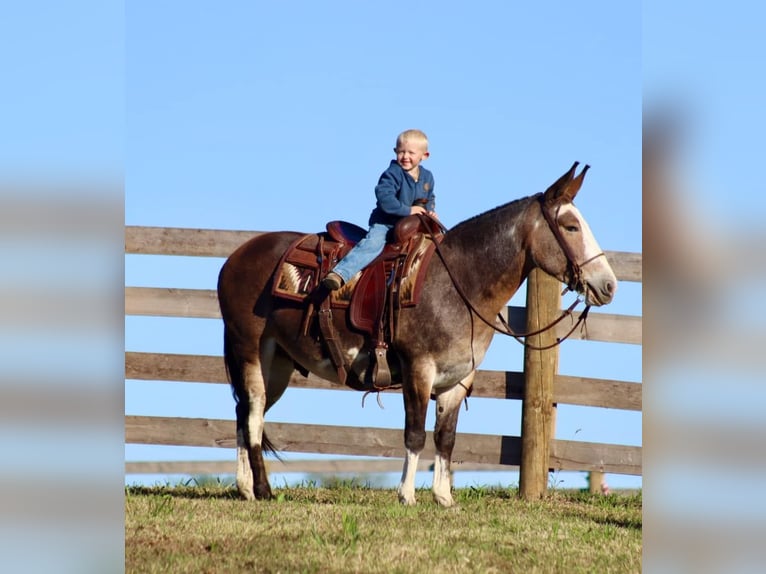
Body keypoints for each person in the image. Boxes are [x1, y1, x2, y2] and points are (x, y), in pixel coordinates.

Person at [322, 129, 438, 291]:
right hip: (386, 224)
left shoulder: (427, 177)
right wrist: (408, 211)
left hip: (411, 226)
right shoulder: (393, 173)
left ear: (424, 156)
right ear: (395, 151)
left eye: (411, 153)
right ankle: (340, 273)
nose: (405, 156)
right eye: (401, 151)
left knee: (436, 243)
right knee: (373, 244)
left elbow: (428, 198)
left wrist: (429, 212)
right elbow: (384, 198)